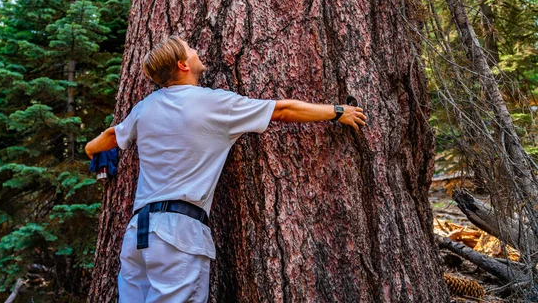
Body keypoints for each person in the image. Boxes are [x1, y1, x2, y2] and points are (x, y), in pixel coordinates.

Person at [85, 36, 366, 303]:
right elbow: (281, 110)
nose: (196, 51)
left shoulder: (144, 108)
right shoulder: (215, 103)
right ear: (183, 65)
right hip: (178, 234)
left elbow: (110, 137)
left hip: (138, 235)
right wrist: (337, 111)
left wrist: (91, 150)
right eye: (190, 48)